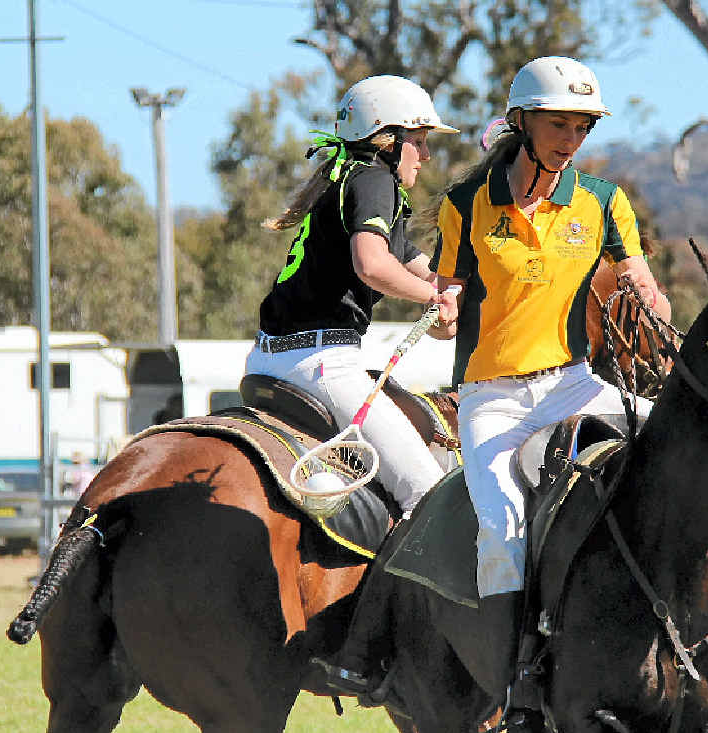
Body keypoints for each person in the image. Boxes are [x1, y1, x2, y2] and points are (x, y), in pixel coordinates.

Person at [320, 57, 673, 722]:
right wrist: (441, 308)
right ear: (521, 123)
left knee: (679, 445)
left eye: (581, 125)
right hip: (491, 399)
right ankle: (518, 685)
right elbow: (447, 287)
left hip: (573, 386)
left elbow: (637, 276)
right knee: (502, 530)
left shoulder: (602, 200)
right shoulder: (465, 204)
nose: (571, 136)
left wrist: (652, 308)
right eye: (557, 123)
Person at [244, 75, 459, 520]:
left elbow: (417, 267)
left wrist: (451, 295)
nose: (426, 155)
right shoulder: (375, 180)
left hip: (268, 359)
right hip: (321, 363)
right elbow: (373, 265)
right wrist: (433, 301)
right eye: (418, 141)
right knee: (430, 496)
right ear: (387, 140)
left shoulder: (349, 180)